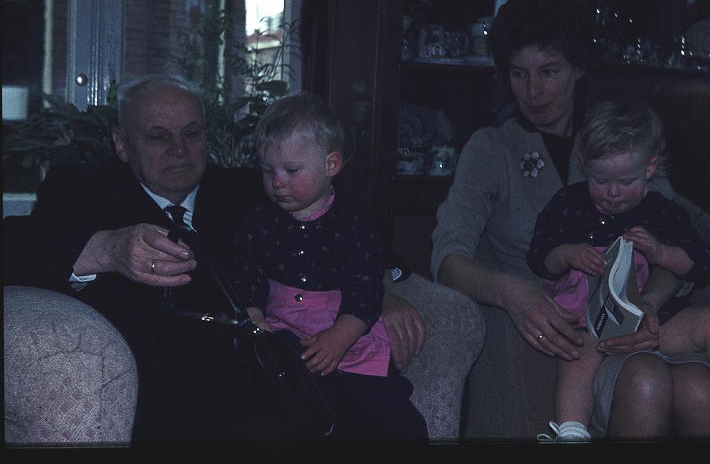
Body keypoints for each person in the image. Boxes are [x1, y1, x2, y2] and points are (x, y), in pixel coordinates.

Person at [2, 73, 426, 442]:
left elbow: (350, 234)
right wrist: (107, 248)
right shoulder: (81, 187)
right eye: (157, 136)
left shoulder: (251, 190)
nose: (179, 148)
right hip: (154, 384)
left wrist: (383, 292)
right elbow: (16, 246)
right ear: (122, 143)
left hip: (264, 374)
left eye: (192, 133)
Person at [430, 0, 710, 438]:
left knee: (702, 389)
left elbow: (676, 239)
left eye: (549, 72)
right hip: (562, 338)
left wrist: (650, 305)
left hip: (639, 323)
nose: (533, 91)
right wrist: (510, 293)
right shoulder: (492, 149)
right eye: (518, 74)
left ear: (578, 69)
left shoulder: (619, 142)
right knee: (647, 382)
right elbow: (448, 257)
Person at [526, 101, 710, 441]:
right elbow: (538, 256)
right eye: (600, 180)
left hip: (655, 321)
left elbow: (700, 263)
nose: (612, 192)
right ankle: (571, 433)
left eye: (625, 181)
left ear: (650, 169)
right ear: (583, 165)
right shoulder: (568, 204)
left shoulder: (662, 212)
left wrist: (661, 252)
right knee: (575, 359)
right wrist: (567, 254)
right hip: (587, 325)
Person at [227, 92, 428, 440]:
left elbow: (366, 289)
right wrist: (254, 316)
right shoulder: (257, 221)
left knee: (397, 418)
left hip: (346, 331)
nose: (277, 181)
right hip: (283, 331)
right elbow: (247, 274)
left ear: (331, 165)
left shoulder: (353, 224)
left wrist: (340, 337)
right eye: (267, 169)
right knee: (296, 400)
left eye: (291, 170)